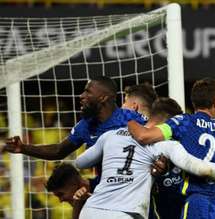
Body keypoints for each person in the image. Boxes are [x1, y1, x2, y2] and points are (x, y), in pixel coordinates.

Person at [2, 76, 146, 218]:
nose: (81, 96)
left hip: (138, 194)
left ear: (103, 98)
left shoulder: (132, 120)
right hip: (108, 194)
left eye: (88, 92)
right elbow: (59, 151)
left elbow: (158, 142)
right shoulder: (86, 125)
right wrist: (23, 148)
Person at [128, 78, 215, 219]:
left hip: (199, 202)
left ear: (193, 102)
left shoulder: (184, 123)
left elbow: (143, 136)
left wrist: (127, 116)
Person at [74, 97, 215, 219]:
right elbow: (202, 168)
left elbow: (80, 162)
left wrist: (111, 157)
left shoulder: (110, 136)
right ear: (169, 123)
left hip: (90, 210)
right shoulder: (165, 146)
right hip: (124, 213)